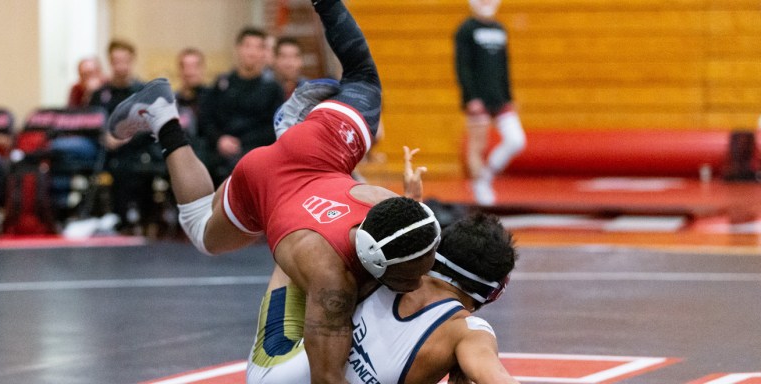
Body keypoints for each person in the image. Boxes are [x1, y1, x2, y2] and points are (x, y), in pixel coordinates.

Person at [106, 1, 440, 382]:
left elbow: (411, 223)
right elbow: (326, 378)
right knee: (201, 227)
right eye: (410, 275)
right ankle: (165, 119)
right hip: (268, 184)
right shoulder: (330, 284)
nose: (416, 281)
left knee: (364, 79)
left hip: (316, 148)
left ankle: (293, 118)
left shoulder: (386, 205)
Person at [246, 212, 520, 384]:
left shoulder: (391, 271)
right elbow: (495, 378)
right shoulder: (468, 332)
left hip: (272, 375)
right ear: (493, 290)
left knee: (306, 248)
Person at [455, 0, 526, 206]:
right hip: (478, 97)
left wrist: (509, 97)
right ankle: (480, 187)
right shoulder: (466, 29)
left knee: (516, 140)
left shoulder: (499, 29)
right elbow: (462, 65)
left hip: (499, 97)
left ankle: (486, 175)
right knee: (479, 145)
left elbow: (504, 65)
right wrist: (470, 97)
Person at [198, 27, 285, 185]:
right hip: (219, 155)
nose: (251, 52)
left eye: (258, 47)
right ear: (238, 49)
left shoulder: (273, 89)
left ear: (264, 52)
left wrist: (244, 145)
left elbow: (275, 126)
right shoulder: (221, 84)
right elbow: (206, 119)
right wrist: (219, 139)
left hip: (256, 156)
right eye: (247, 46)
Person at [89, 39, 158, 234]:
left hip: (138, 148)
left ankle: (142, 219)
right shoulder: (100, 94)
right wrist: (105, 137)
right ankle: (110, 218)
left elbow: (150, 124)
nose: (121, 66)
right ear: (110, 62)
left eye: (125, 61)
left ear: (132, 61)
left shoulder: (144, 92)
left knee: (137, 167)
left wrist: (126, 137)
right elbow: (92, 123)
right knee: (113, 166)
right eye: (116, 61)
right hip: (108, 150)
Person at [175, 47, 209, 115]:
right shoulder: (172, 104)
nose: (189, 72)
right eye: (184, 66)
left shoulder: (213, 101)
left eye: (194, 66)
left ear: (202, 69)